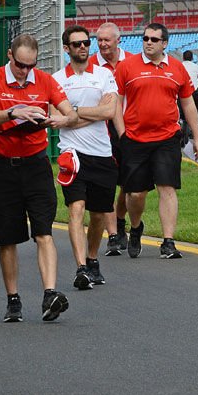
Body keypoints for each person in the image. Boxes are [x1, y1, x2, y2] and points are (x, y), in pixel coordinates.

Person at [0, 34, 77, 323]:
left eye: (30, 66)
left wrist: (61, 119)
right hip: (4, 166)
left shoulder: (44, 81)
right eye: (20, 65)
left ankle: (50, 293)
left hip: (36, 166)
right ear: (10, 55)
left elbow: (69, 112)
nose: (24, 71)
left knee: (43, 231)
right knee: (7, 238)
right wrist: (13, 111)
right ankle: (13, 299)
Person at [115, 23, 198, 260]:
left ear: (165, 43)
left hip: (166, 138)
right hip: (134, 139)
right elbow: (116, 102)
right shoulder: (127, 67)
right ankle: (135, 228)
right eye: (145, 38)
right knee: (136, 194)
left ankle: (168, 241)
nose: (149, 42)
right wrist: (122, 132)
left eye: (154, 39)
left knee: (167, 188)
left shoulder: (176, 69)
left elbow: (187, 104)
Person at [53, 26, 119, 291]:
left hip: (102, 153)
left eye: (86, 43)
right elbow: (56, 120)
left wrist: (75, 113)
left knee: (100, 214)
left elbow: (110, 110)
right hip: (72, 154)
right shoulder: (57, 79)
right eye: (76, 44)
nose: (83, 47)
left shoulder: (104, 75)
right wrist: (90, 114)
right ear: (66, 48)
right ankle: (81, 267)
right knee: (76, 209)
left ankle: (92, 258)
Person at [88, 22, 130, 257]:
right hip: (99, 130)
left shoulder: (132, 61)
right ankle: (113, 235)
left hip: (128, 129)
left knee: (128, 186)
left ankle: (121, 220)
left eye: (107, 40)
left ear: (118, 40)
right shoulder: (91, 65)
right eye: (99, 40)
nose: (103, 44)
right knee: (105, 183)